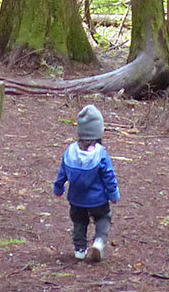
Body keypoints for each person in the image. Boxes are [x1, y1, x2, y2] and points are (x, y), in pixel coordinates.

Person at [53, 104, 120, 262]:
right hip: (98, 199)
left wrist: (58, 188)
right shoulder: (100, 153)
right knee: (103, 217)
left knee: (79, 222)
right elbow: (108, 176)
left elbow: (62, 173)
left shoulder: (70, 151)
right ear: (98, 132)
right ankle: (98, 241)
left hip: (76, 199)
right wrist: (113, 194)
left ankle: (79, 249)